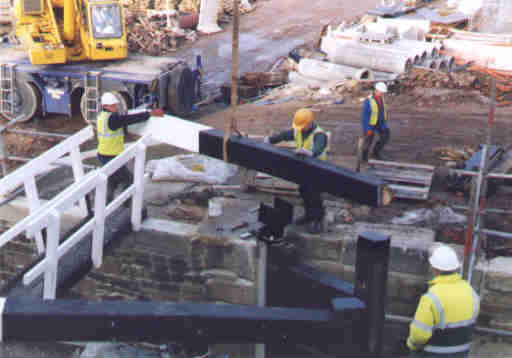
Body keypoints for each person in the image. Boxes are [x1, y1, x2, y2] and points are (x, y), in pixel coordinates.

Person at [406, 245, 480, 357]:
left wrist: (411, 345)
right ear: (455, 268)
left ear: (435, 269)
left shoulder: (431, 297)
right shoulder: (471, 292)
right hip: (461, 353)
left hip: (433, 353)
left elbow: (419, 335)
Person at [264, 108, 328, 234]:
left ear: (309, 123)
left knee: (314, 194)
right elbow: (284, 135)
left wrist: (309, 152)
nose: (299, 128)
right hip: (304, 168)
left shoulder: (319, 134)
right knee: (303, 190)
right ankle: (309, 215)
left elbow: (318, 149)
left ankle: (317, 220)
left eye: (302, 126)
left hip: (317, 169)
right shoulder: (299, 131)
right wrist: (270, 140)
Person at [96, 92, 164, 203]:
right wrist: (149, 114)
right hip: (110, 156)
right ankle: (126, 205)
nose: (115, 107)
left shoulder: (102, 116)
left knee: (113, 181)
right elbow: (128, 119)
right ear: (105, 106)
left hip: (105, 154)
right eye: (112, 105)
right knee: (128, 180)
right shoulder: (112, 119)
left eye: (115, 105)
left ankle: (105, 204)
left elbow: (121, 123)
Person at [361, 81, 390, 161]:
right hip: (370, 124)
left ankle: (375, 153)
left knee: (385, 136)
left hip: (380, 123)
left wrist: (384, 125)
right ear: (376, 90)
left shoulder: (381, 99)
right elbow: (365, 117)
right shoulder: (368, 101)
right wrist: (367, 129)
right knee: (368, 140)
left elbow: (381, 112)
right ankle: (364, 158)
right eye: (381, 92)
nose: (383, 94)